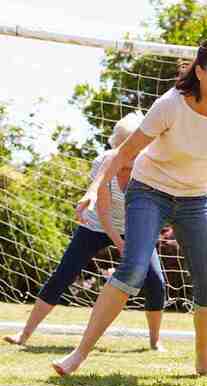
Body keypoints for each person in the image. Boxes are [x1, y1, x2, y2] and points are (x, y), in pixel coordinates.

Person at [51, 36, 207, 380]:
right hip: (149, 191)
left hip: (195, 199)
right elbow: (124, 153)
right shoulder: (171, 104)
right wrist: (94, 189)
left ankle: (203, 361)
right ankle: (78, 354)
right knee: (134, 268)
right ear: (200, 71)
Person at [3, 112, 167, 351]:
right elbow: (103, 210)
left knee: (155, 281)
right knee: (64, 273)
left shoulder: (149, 166)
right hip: (97, 226)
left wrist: (134, 240)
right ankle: (25, 334)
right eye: (126, 147)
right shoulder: (104, 163)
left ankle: (155, 340)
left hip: (135, 228)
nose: (132, 153)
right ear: (118, 146)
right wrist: (119, 244)